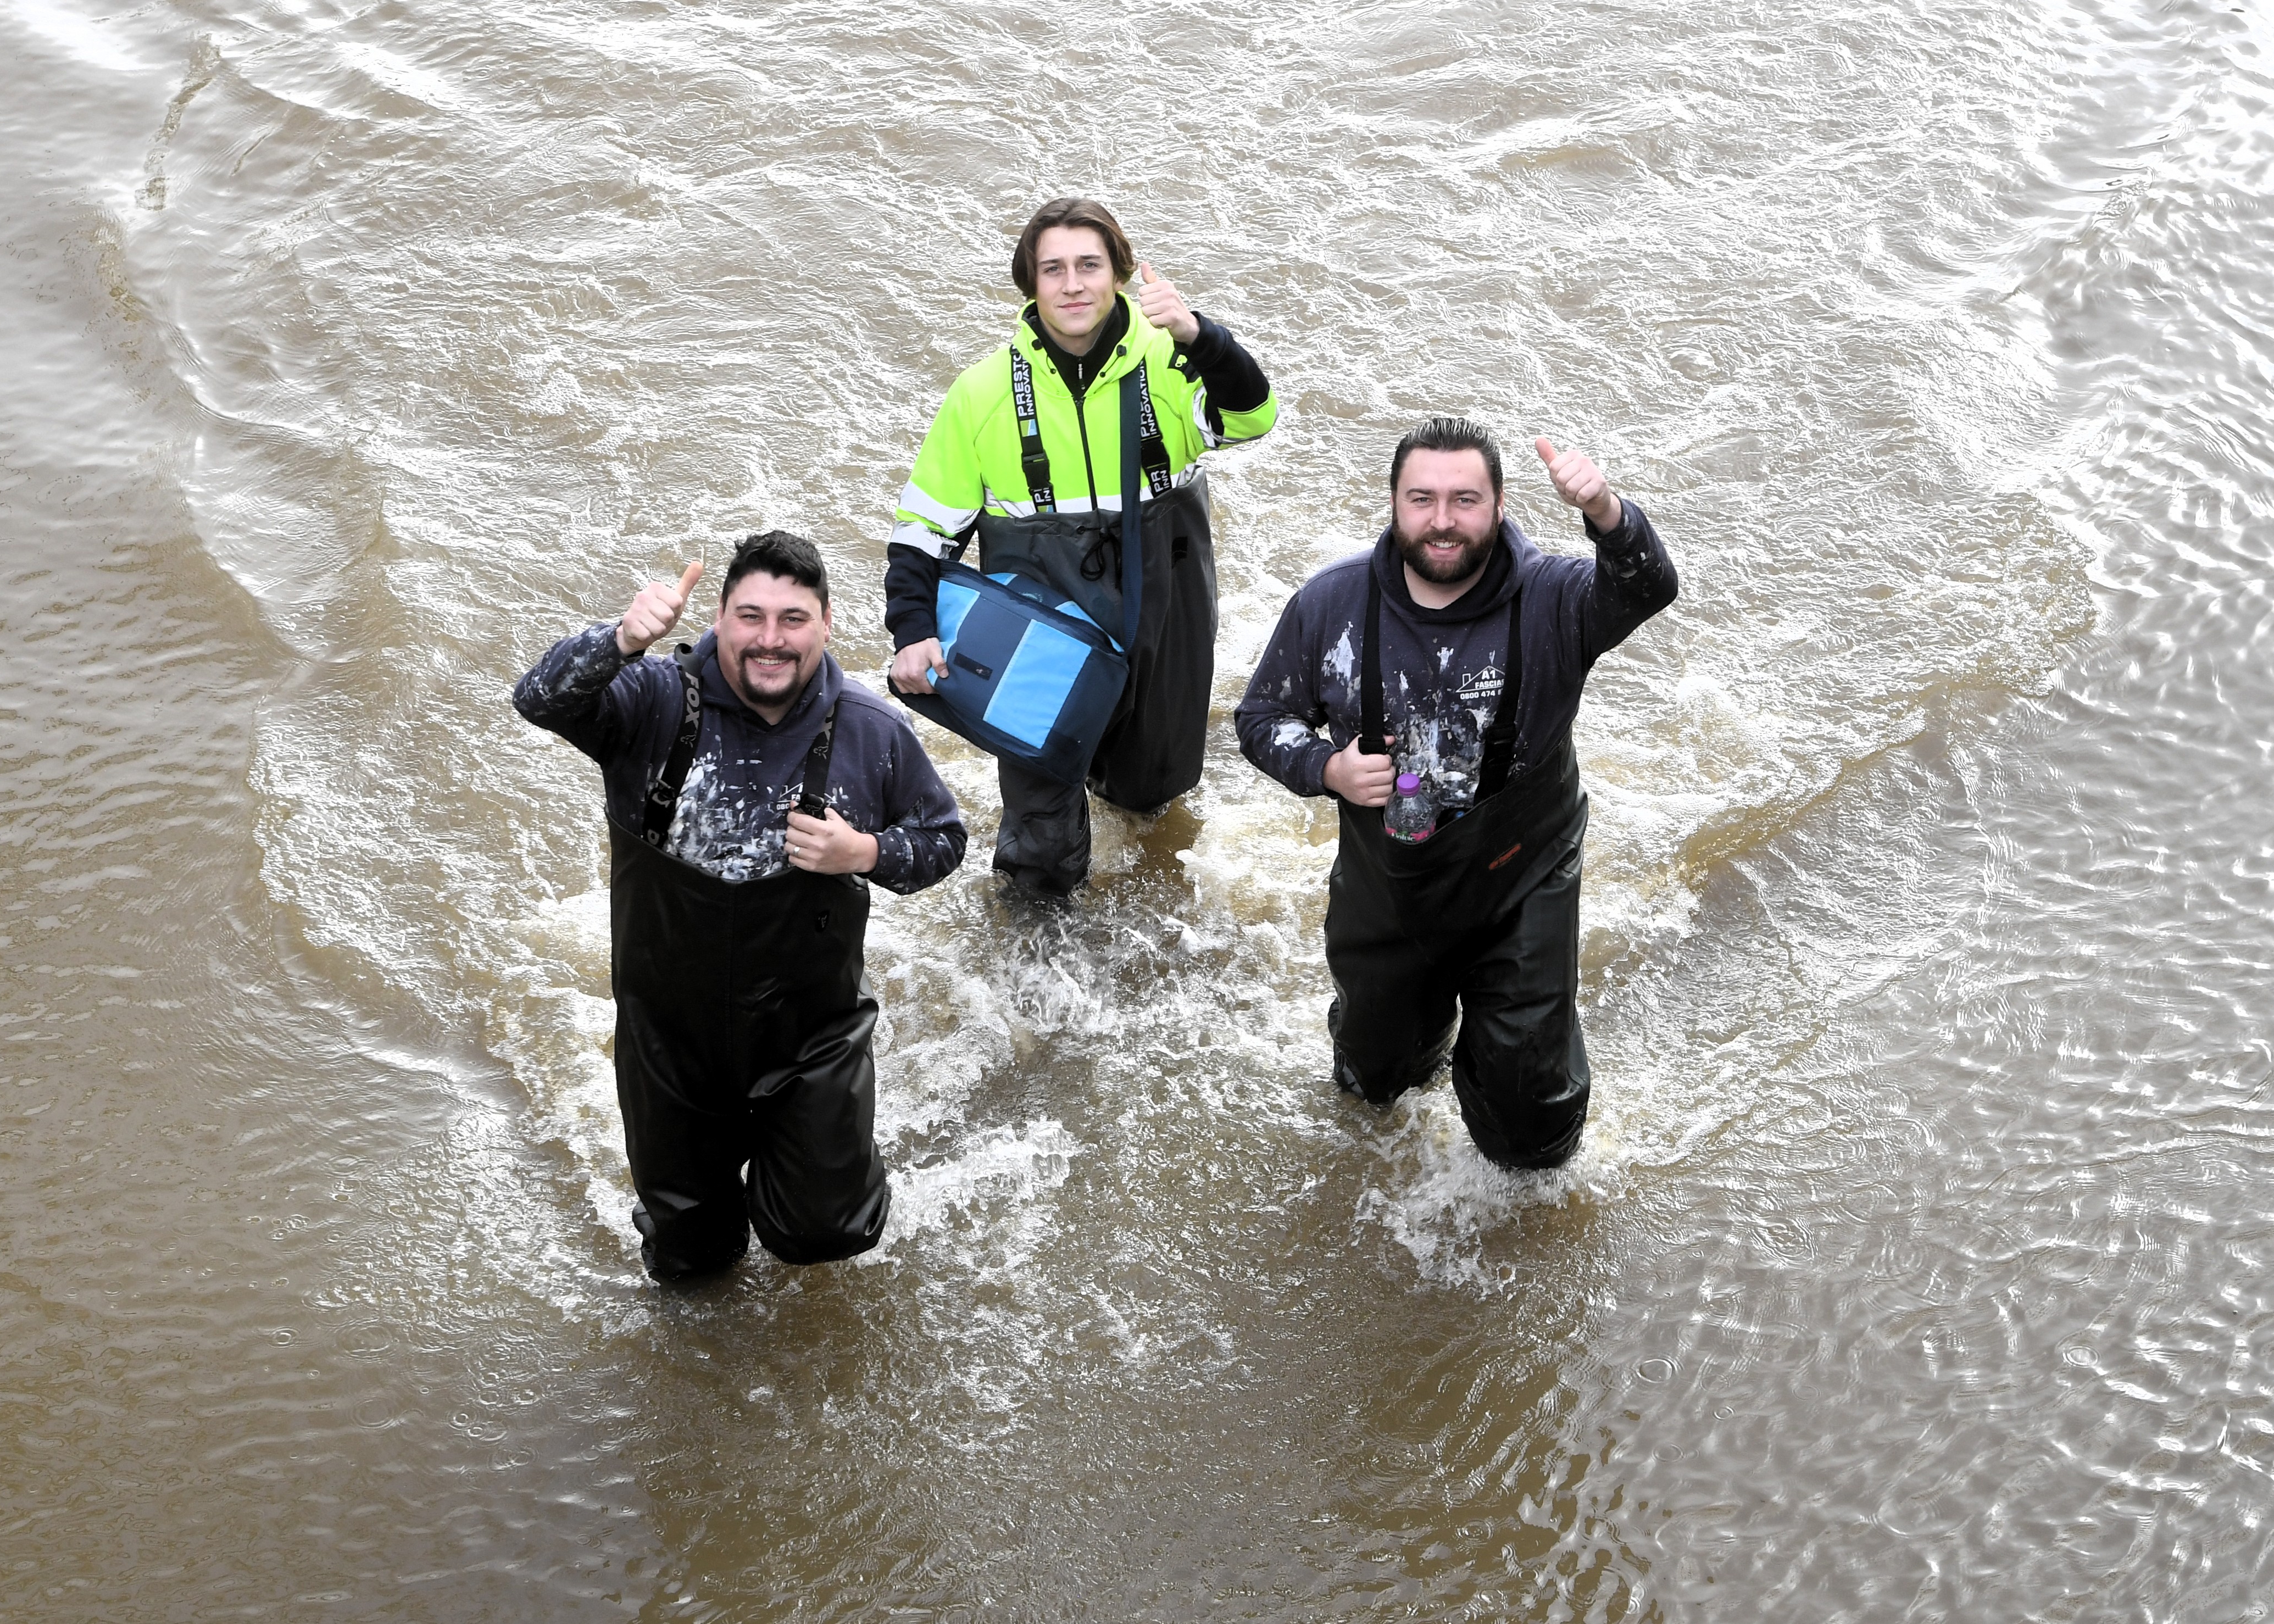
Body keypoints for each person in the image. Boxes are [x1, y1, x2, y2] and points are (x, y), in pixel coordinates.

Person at [512, 531, 966, 1280]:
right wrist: (623, 639)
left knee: (828, 1228)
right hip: (669, 1039)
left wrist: (865, 854)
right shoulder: (652, 701)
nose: (770, 640)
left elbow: (943, 842)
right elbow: (538, 698)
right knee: (691, 1263)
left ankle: (817, 1158)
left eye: (793, 620)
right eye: (750, 616)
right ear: (720, 619)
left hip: (806, 1039)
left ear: (826, 625)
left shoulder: (870, 730)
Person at [1235, 419, 1678, 1169]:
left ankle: (1531, 1204)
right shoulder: (1329, 604)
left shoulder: (1553, 599)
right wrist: (1326, 768)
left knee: (1527, 1106)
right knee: (1374, 1078)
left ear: (1499, 506)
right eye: (1422, 500)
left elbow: (1648, 585)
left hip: (1522, 869)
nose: (1442, 521)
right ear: (1393, 505)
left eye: (1464, 500)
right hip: (1387, 877)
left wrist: (1603, 508)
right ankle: (1417, 1049)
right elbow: (1258, 718)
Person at [885, 197, 1280, 900]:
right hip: (1041, 619)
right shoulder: (978, 395)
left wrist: (1200, 334)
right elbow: (922, 532)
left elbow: (1252, 417)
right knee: (1039, 815)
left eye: (1090, 266)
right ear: (1030, 286)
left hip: (1168, 599)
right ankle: (1038, 961)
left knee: (1149, 797)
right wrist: (913, 631)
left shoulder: (1172, 359)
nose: (1073, 285)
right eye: (1053, 269)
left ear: (1121, 275)